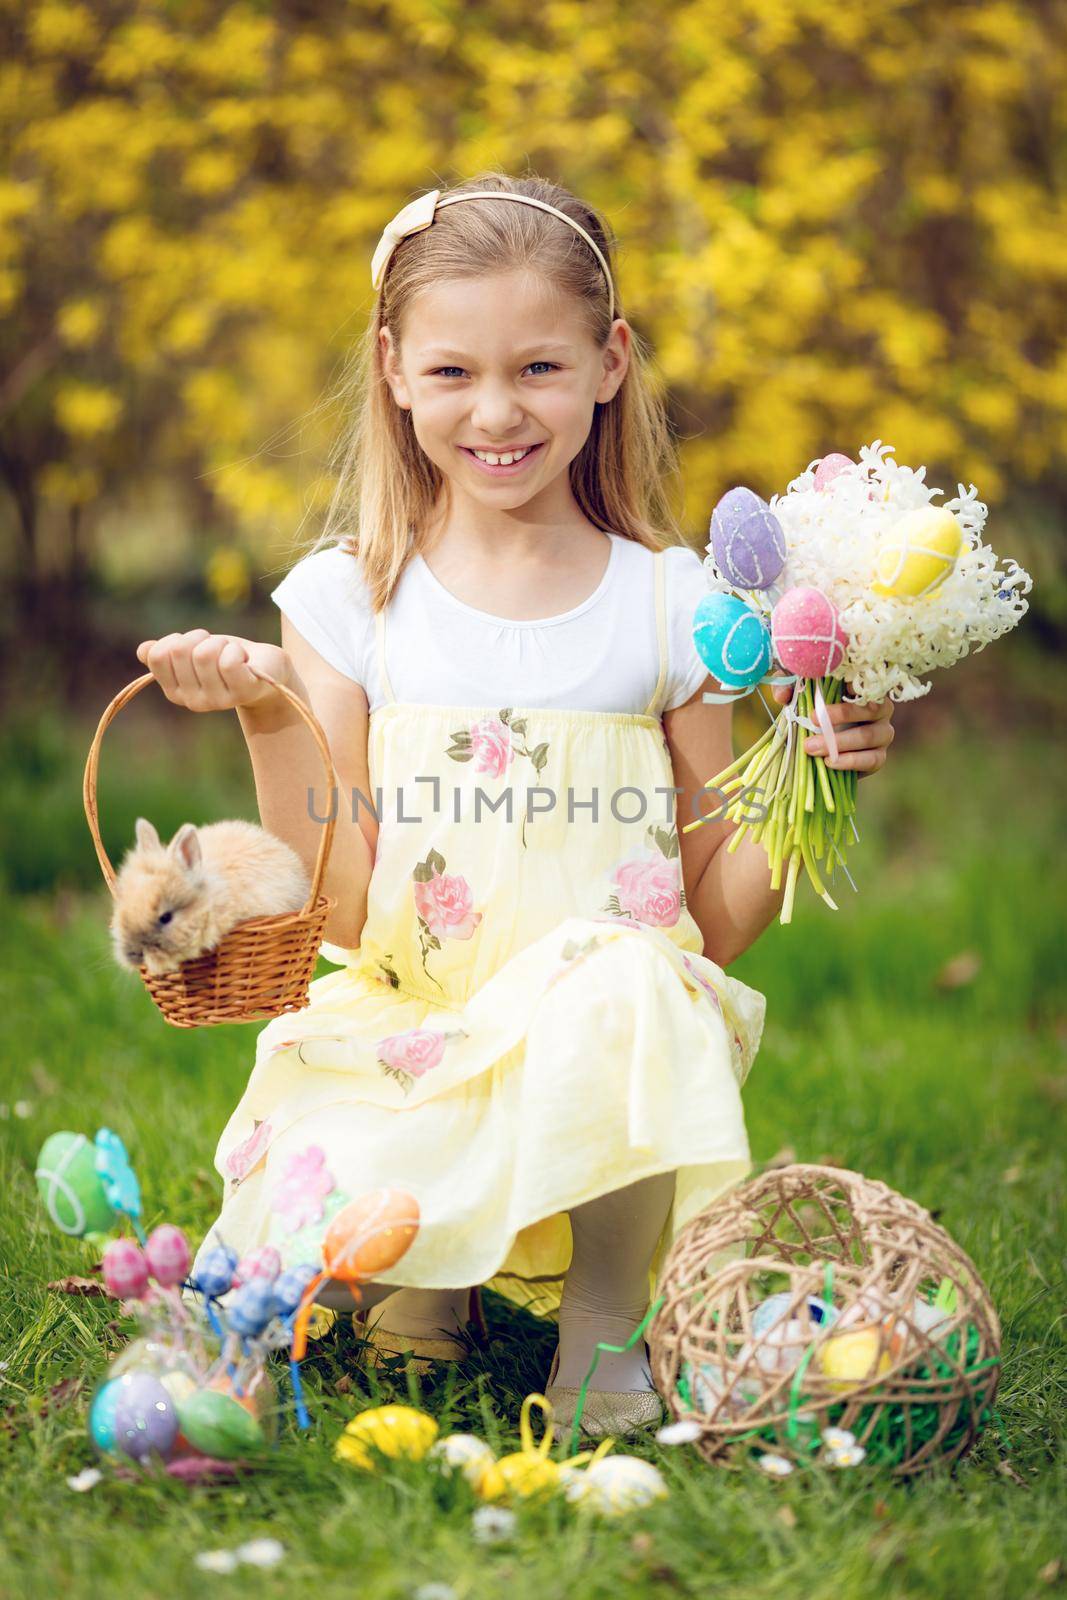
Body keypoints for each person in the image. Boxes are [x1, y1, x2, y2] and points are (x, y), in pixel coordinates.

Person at [136, 173, 896, 1437]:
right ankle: (433, 1278)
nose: (496, 412)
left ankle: (604, 1326)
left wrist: (811, 771)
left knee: (631, 976)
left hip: (604, 1048)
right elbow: (335, 905)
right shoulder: (348, 603)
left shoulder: (670, 604)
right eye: (452, 373)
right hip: (419, 1030)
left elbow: (709, 924)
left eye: (538, 366)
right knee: (322, 1196)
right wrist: (269, 713)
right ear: (391, 369)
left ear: (608, 363)